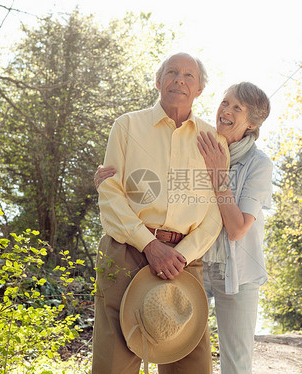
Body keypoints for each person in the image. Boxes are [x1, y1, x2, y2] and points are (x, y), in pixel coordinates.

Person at [95, 82, 273, 374]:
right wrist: (110, 182)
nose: (225, 110)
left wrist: (218, 174)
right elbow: (166, 187)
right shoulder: (200, 140)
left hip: (233, 270)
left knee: (235, 361)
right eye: (225, 102)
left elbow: (237, 229)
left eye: (237, 108)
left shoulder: (257, 163)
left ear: (251, 124)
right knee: (168, 336)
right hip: (194, 262)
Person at [92, 52, 228, 374]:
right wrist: (150, 246)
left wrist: (179, 255)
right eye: (172, 72)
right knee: (115, 365)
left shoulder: (215, 141)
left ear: (199, 89)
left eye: (189, 76)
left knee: (191, 365)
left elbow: (216, 212)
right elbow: (110, 193)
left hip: (185, 261)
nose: (179, 79)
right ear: (158, 81)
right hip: (126, 253)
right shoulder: (126, 126)